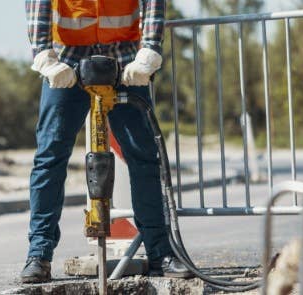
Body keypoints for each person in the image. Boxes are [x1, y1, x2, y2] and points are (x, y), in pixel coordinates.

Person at [21, 0, 192, 283]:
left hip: (124, 56)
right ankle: (38, 254)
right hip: (66, 58)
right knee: (49, 157)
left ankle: (160, 253)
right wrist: (44, 56)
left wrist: (149, 50)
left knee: (144, 156)